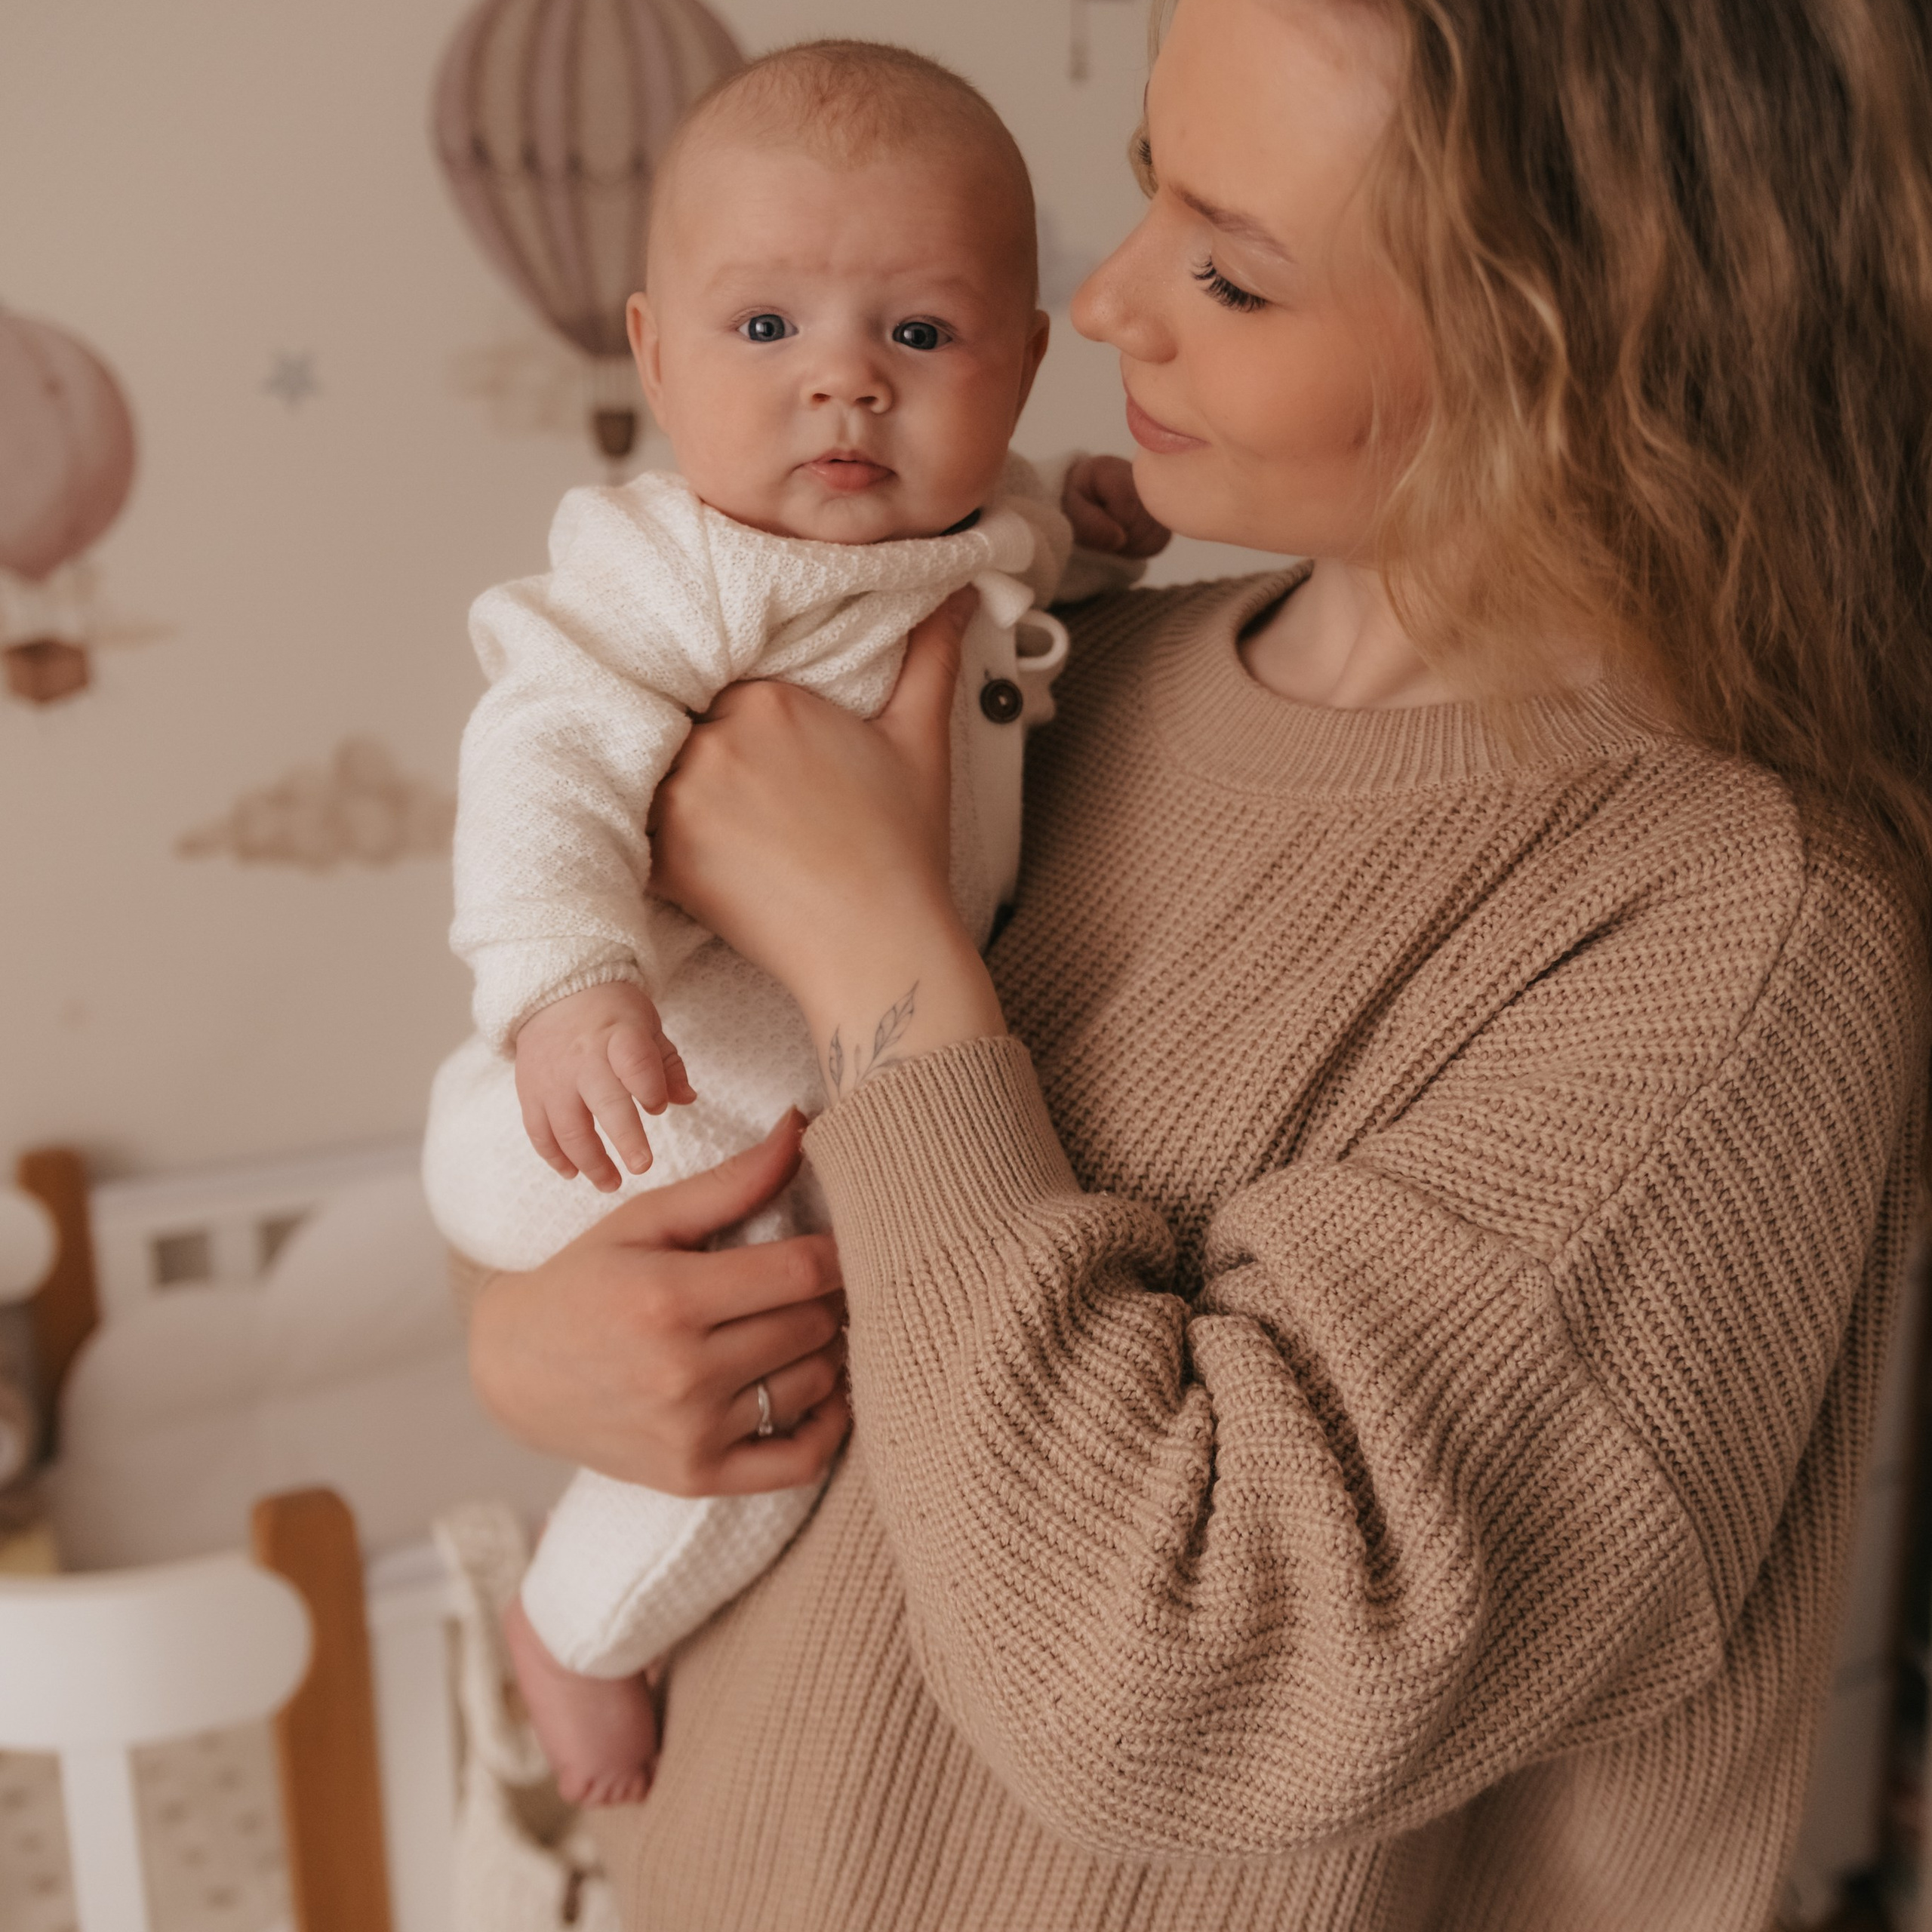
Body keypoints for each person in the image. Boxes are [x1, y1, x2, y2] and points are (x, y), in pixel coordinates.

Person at [463, 0, 1932, 1923]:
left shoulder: (1742, 935)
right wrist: (537, 1344)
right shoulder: (1045, 673)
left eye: (1230, 273)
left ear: (1574, 352)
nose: (1100, 304)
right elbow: (676, 1131)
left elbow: (1182, 1681)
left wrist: (875, 948)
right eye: (1152, 195)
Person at [426, 43, 1168, 1807]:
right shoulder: (669, 564)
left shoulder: (978, 523)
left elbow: (1021, 562)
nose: (842, 382)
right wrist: (567, 980)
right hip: (633, 1099)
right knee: (779, 1427)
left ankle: (576, 1602)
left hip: (762, 1100)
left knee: (777, 1391)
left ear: (1015, 366)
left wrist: (1103, 530)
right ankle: (572, 1624)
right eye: (766, 330)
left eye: (916, 336)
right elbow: (542, 751)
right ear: (651, 352)